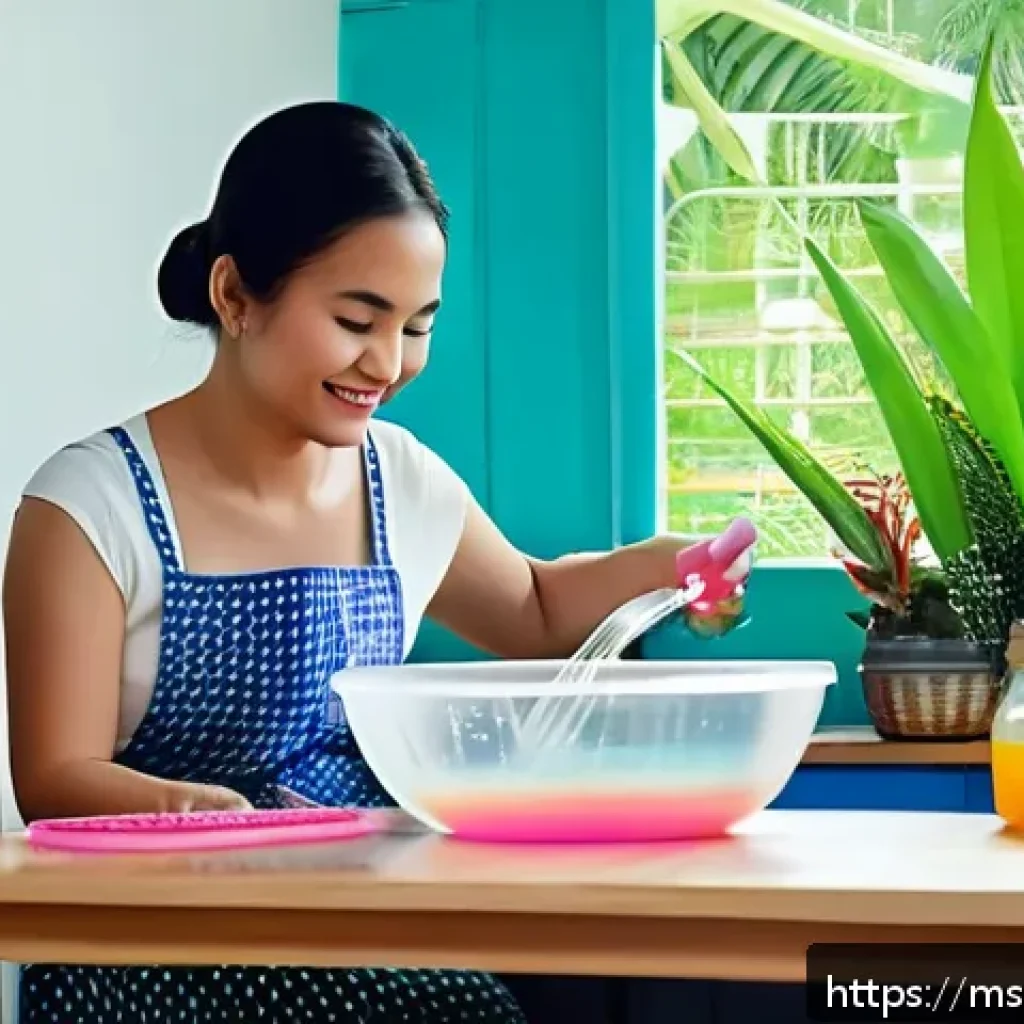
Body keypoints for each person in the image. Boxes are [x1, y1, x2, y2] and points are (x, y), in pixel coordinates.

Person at [3, 101, 753, 1023]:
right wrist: (204, 819)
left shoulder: (399, 480)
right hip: (154, 943)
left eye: (418, 326)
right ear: (235, 297)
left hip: (358, 913)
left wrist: (672, 564)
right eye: (358, 319)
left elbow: (536, 609)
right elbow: (53, 778)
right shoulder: (90, 505)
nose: (389, 363)